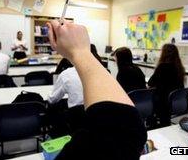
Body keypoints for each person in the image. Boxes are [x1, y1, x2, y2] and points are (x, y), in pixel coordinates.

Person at [47, 20, 147, 160]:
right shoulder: (119, 72)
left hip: (76, 117)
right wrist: (81, 52)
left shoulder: (66, 74)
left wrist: (78, 53)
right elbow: (126, 134)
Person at [48, 44, 102, 108]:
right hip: (97, 115)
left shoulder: (67, 74)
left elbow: (52, 99)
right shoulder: (104, 74)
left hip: (75, 115)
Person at [148, 43, 186, 127]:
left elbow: (151, 82)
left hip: (163, 103)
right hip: (175, 101)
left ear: (164, 54)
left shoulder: (162, 67)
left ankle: (151, 125)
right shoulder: (179, 67)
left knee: (148, 98)